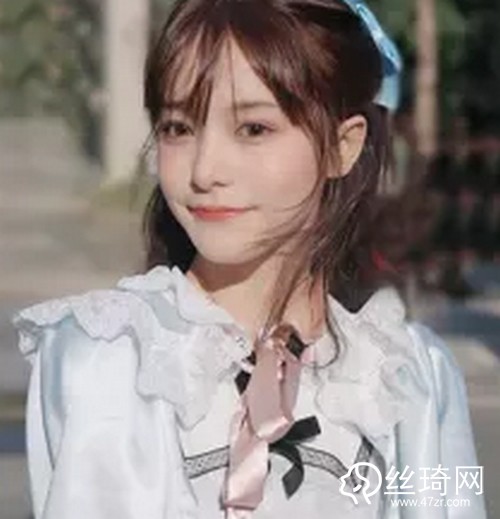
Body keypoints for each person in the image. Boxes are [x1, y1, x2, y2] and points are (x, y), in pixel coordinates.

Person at [12, 0, 487, 518]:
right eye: (178, 128)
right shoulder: (111, 359)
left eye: (253, 129)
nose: (204, 171)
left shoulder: (408, 376)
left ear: (343, 146)